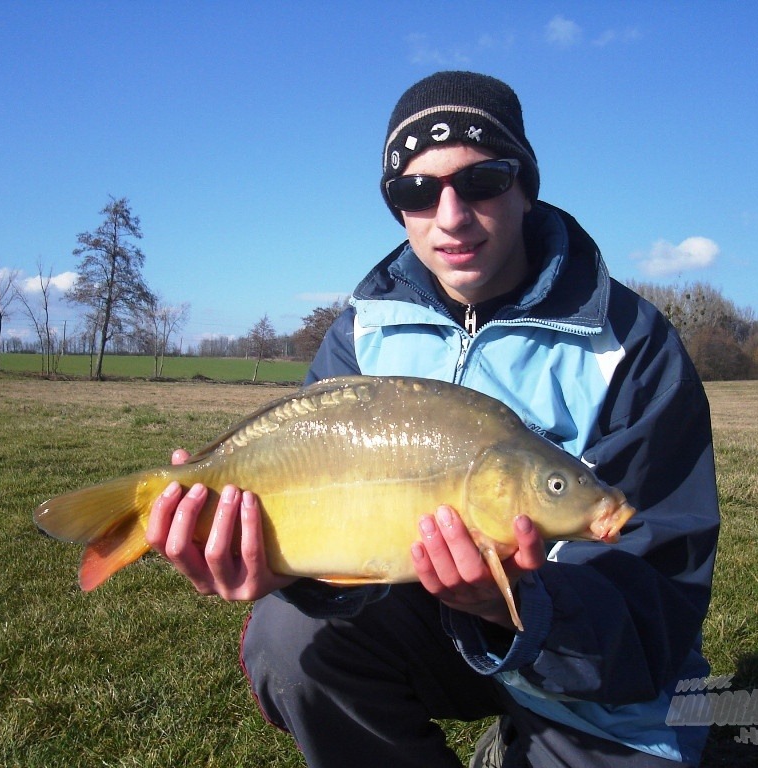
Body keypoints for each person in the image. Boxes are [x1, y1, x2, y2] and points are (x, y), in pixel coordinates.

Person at [145, 71, 720, 767]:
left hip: (597, 664)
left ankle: (534, 736)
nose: (450, 215)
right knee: (288, 636)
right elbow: (333, 555)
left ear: (525, 185)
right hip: (432, 629)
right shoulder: (360, 335)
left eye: (482, 180)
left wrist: (514, 606)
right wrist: (282, 570)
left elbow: (657, 608)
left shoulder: (632, 343)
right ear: (397, 208)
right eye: (416, 191)